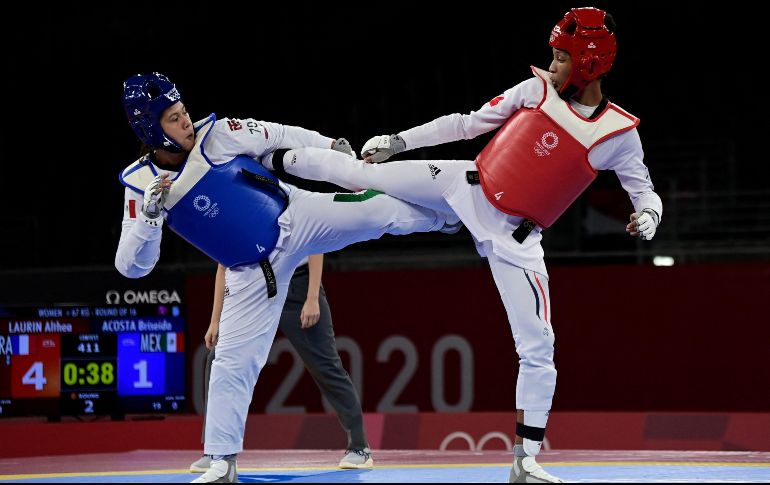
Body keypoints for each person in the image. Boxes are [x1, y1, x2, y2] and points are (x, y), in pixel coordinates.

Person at [261, 7, 662, 483]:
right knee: (360, 174)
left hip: (516, 238)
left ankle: (526, 461)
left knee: (539, 346)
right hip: (464, 185)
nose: (553, 66)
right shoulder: (534, 90)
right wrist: (399, 141)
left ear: (590, 63)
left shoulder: (618, 133)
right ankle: (269, 158)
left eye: (561, 58)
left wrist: (649, 217)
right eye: (554, 56)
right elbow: (466, 124)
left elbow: (644, 191)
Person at [115, 72, 454, 483]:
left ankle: (452, 215)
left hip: (296, 218)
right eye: (173, 118)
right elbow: (132, 266)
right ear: (150, 130)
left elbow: (279, 133)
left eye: (183, 111)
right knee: (231, 364)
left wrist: (327, 144)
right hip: (249, 275)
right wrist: (150, 217)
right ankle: (221, 461)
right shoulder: (141, 185)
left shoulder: (219, 134)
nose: (185, 121)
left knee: (376, 211)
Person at [189, 254, 373, 474]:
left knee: (326, 366)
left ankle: (360, 447)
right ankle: (215, 452)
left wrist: (312, 297)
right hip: (255, 288)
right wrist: (215, 320)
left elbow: (315, 247)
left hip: (298, 285)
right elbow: (223, 266)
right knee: (217, 359)